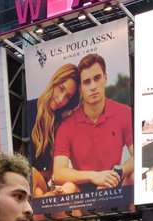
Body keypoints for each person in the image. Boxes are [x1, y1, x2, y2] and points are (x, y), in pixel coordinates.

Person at [53, 53, 134, 193]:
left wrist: (112, 176)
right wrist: (94, 176)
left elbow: (139, 155)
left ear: (105, 78)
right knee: (67, 188)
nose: (93, 86)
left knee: (134, 178)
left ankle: (136, 215)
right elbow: (58, 172)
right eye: (87, 82)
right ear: (80, 88)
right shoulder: (67, 126)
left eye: (97, 78)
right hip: (83, 192)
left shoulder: (125, 112)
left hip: (115, 185)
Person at [30, 63, 80, 197]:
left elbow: (53, 172)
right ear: (54, 83)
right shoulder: (28, 109)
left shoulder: (60, 124)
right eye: (61, 89)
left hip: (35, 180)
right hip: (20, 181)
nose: (60, 99)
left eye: (68, 96)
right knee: (38, 192)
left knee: (34, 179)